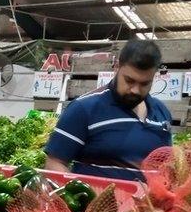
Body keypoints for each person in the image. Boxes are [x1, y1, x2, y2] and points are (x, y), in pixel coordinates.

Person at [44, 38, 173, 181]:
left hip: (147, 203)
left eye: (144, 83)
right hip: (96, 202)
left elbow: (165, 165)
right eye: (129, 81)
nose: (135, 90)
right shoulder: (84, 108)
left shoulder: (162, 113)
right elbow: (54, 163)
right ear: (117, 67)